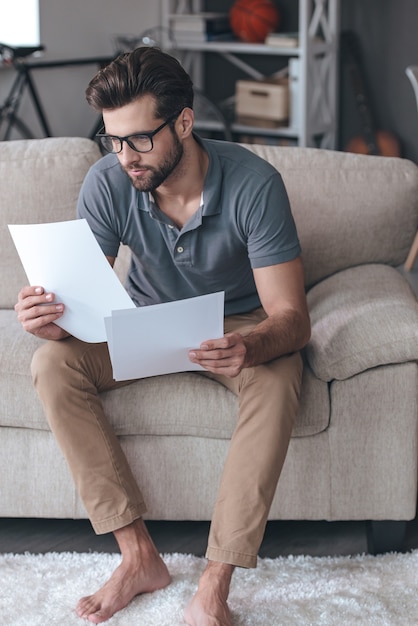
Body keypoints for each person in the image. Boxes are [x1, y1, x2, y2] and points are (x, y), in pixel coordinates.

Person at [15, 46, 311, 626]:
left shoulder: (256, 185)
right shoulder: (107, 181)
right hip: (143, 321)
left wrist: (251, 345)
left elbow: (292, 317)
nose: (126, 156)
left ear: (183, 121)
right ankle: (138, 557)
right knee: (51, 364)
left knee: (277, 382)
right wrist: (51, 319)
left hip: (238, 326)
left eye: (140, 139)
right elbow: (82, 298)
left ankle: (214, 584)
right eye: (113, 139)